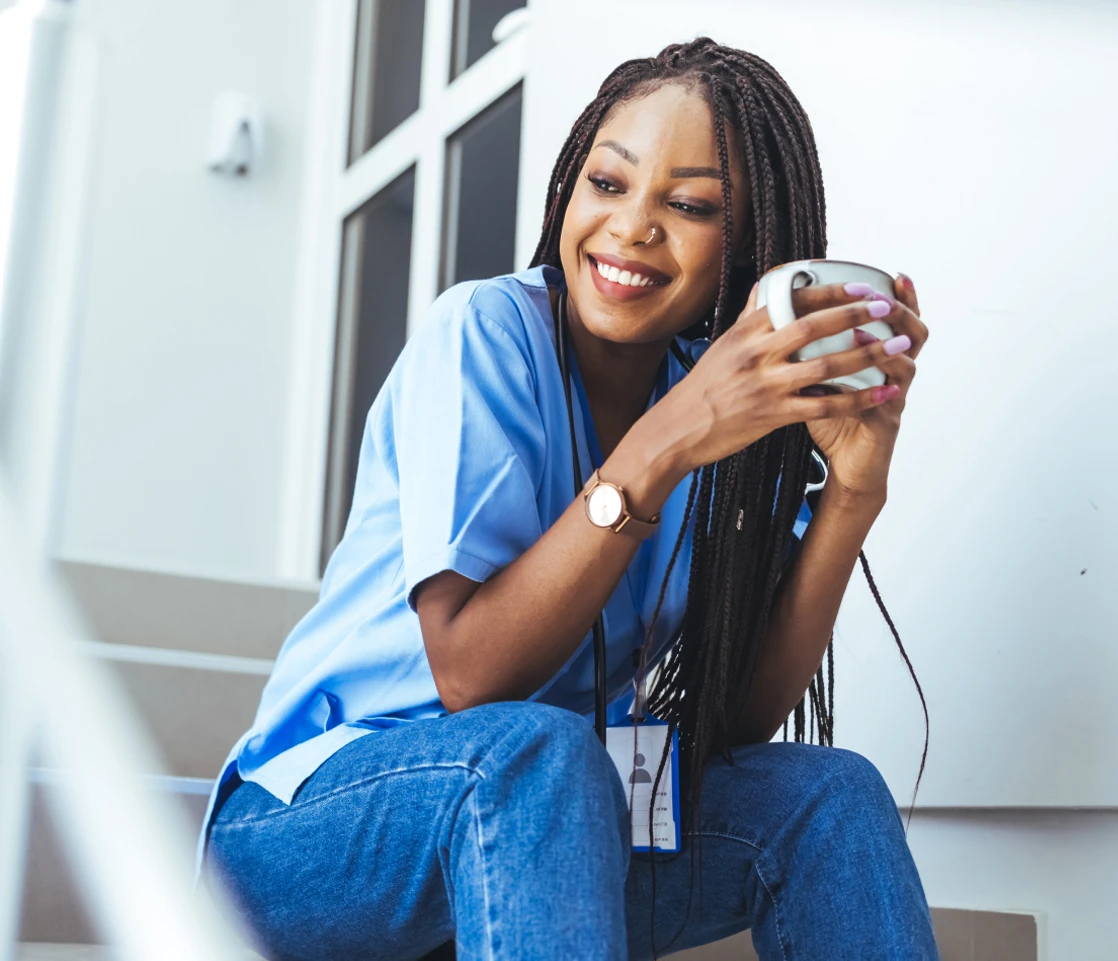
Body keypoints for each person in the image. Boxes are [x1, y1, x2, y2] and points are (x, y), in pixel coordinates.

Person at [200, 37, 937, 961]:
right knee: (536, 756)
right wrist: (667, 441)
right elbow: (470, 676)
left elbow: (740, 716)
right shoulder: (484, 333)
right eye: (608, 183)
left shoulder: (714, 414)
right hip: (310, 839)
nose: (630, 228)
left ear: (746, 251)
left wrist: (853, 490)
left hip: (548, 831)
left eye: (689, 205)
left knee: (829, 794)